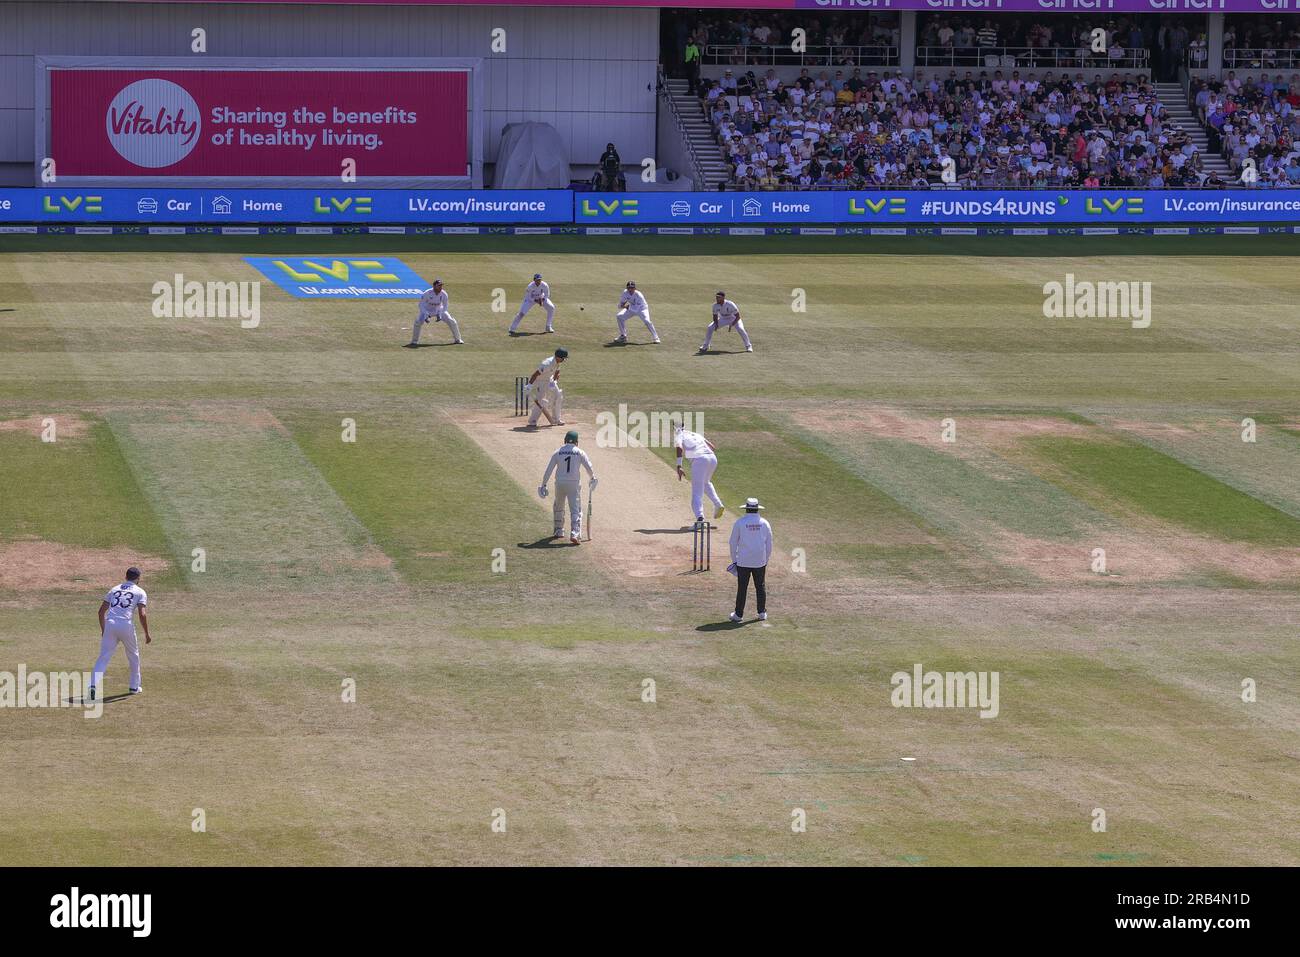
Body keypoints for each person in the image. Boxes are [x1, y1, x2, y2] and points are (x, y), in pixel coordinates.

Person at [89, 567, 152, 700]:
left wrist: (104, 630)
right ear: (138, 578)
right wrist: (146, 633)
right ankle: (134, 687)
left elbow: (101, 612)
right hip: (126, 625)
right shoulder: (140, 592)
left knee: (103, 657)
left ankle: (92, 685)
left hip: (110, 624)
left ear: (126, 576)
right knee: (133, 656)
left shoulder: (114, 589)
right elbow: (142, 614)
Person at [539, 430, 597, 545]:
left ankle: (559, 531)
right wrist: (593, 478)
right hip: (574, 484)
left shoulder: (558, 452)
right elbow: (589, 467)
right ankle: (575, 533)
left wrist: (544, 484)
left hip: (560, 483)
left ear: (565, 440)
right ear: (577, 442)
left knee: (558, 506)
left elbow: (548, 470)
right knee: (575, 509)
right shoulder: (580, 452)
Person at [728, 498, 772, 623]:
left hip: (743, 561)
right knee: (760, 586)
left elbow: (732, 543)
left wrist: (734, 560)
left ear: (746, 508)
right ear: (757, 509)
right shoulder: (765, 523)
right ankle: (762, 613)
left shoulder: (740, 522)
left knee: (742, 587)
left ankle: (738, 615)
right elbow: (769, 544)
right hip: (759, 561)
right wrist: (766, 559)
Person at [673, 420, 725, 523]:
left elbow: (679, 448)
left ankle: (700, 519)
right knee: (706, 483)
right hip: (712, 458)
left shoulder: (678, 435)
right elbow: (712, 447)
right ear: (684, 426)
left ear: (674, 428)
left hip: (700, 460)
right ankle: (718, 504)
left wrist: (679, 466)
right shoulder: (695, 434)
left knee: (697, 493)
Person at [406, 279, 462, 347]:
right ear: (434, 286)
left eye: (441, 286)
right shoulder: (427, 293)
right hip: (427, 310)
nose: (440, 287)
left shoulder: (444, 294)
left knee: (451, 320)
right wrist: (426, 315)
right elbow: (421, 305)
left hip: (439, 310)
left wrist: (440, 314)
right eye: (439, 286)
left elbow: (445, 306)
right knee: (418, 322)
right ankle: (414, 341)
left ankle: (458, 339)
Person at [526, 347, 567, 429]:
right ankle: (532, 421)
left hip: (550, 380)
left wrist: (554, 381)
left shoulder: (558, 362)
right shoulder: (546, 363)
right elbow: (535, 374)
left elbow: (557, 371)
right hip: (540, 382)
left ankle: (556, 419)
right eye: (563, 358)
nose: (564, 360)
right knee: (541, 401)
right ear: (558, 357)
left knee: (558, 396)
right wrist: (529, 385)